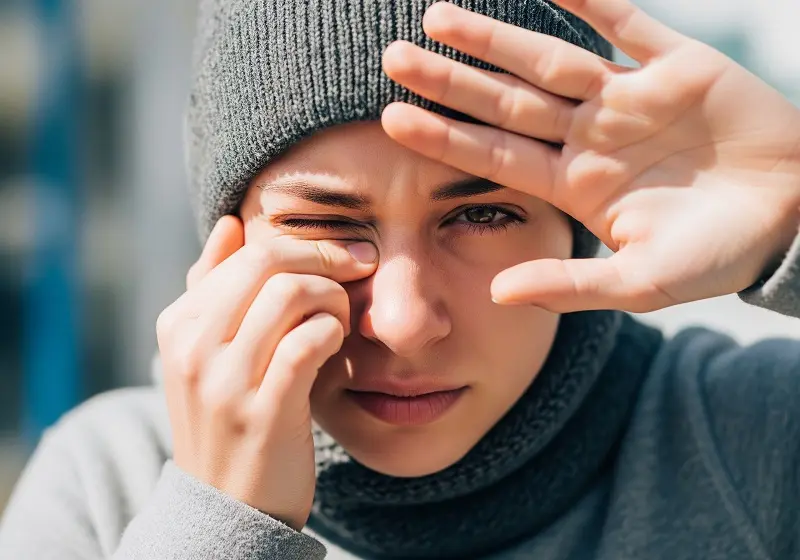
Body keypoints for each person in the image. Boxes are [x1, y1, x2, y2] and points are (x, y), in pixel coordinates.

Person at [2, 0, 800, 557]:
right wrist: (218, 525)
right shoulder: (110, 481)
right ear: (223, 241)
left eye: (482, 216)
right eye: (323, 226)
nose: (406, 320)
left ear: (579, 223)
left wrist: (791, 222)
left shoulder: (754, 436)